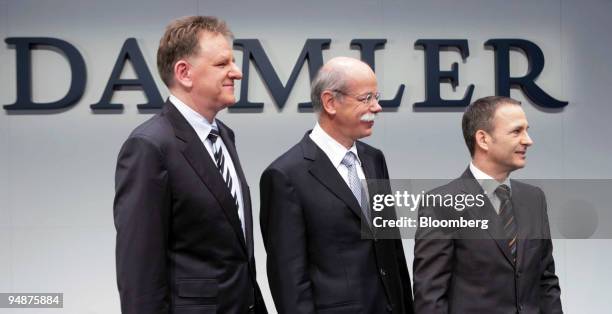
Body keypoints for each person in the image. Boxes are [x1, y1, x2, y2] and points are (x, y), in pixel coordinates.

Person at [113, 16, 267, 313]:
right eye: (223, 64)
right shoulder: (149, 146)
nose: (237, 73)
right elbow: (139, 272)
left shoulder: (223, 136)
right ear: (184, 73)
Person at [260, 56, 414, 314]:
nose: (376, 107)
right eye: (366, 98)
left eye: (376, 97)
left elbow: (393, 249)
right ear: (330, 102)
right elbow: (289, 281)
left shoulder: (374, 159)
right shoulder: (285, 175)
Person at [413, 96, 562, 313]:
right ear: (483, 139)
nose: (528, 140)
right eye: (516, 131)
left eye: (527, 130)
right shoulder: (440, 204)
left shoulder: (534, 199)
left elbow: (546, 282)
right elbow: (430, 296)